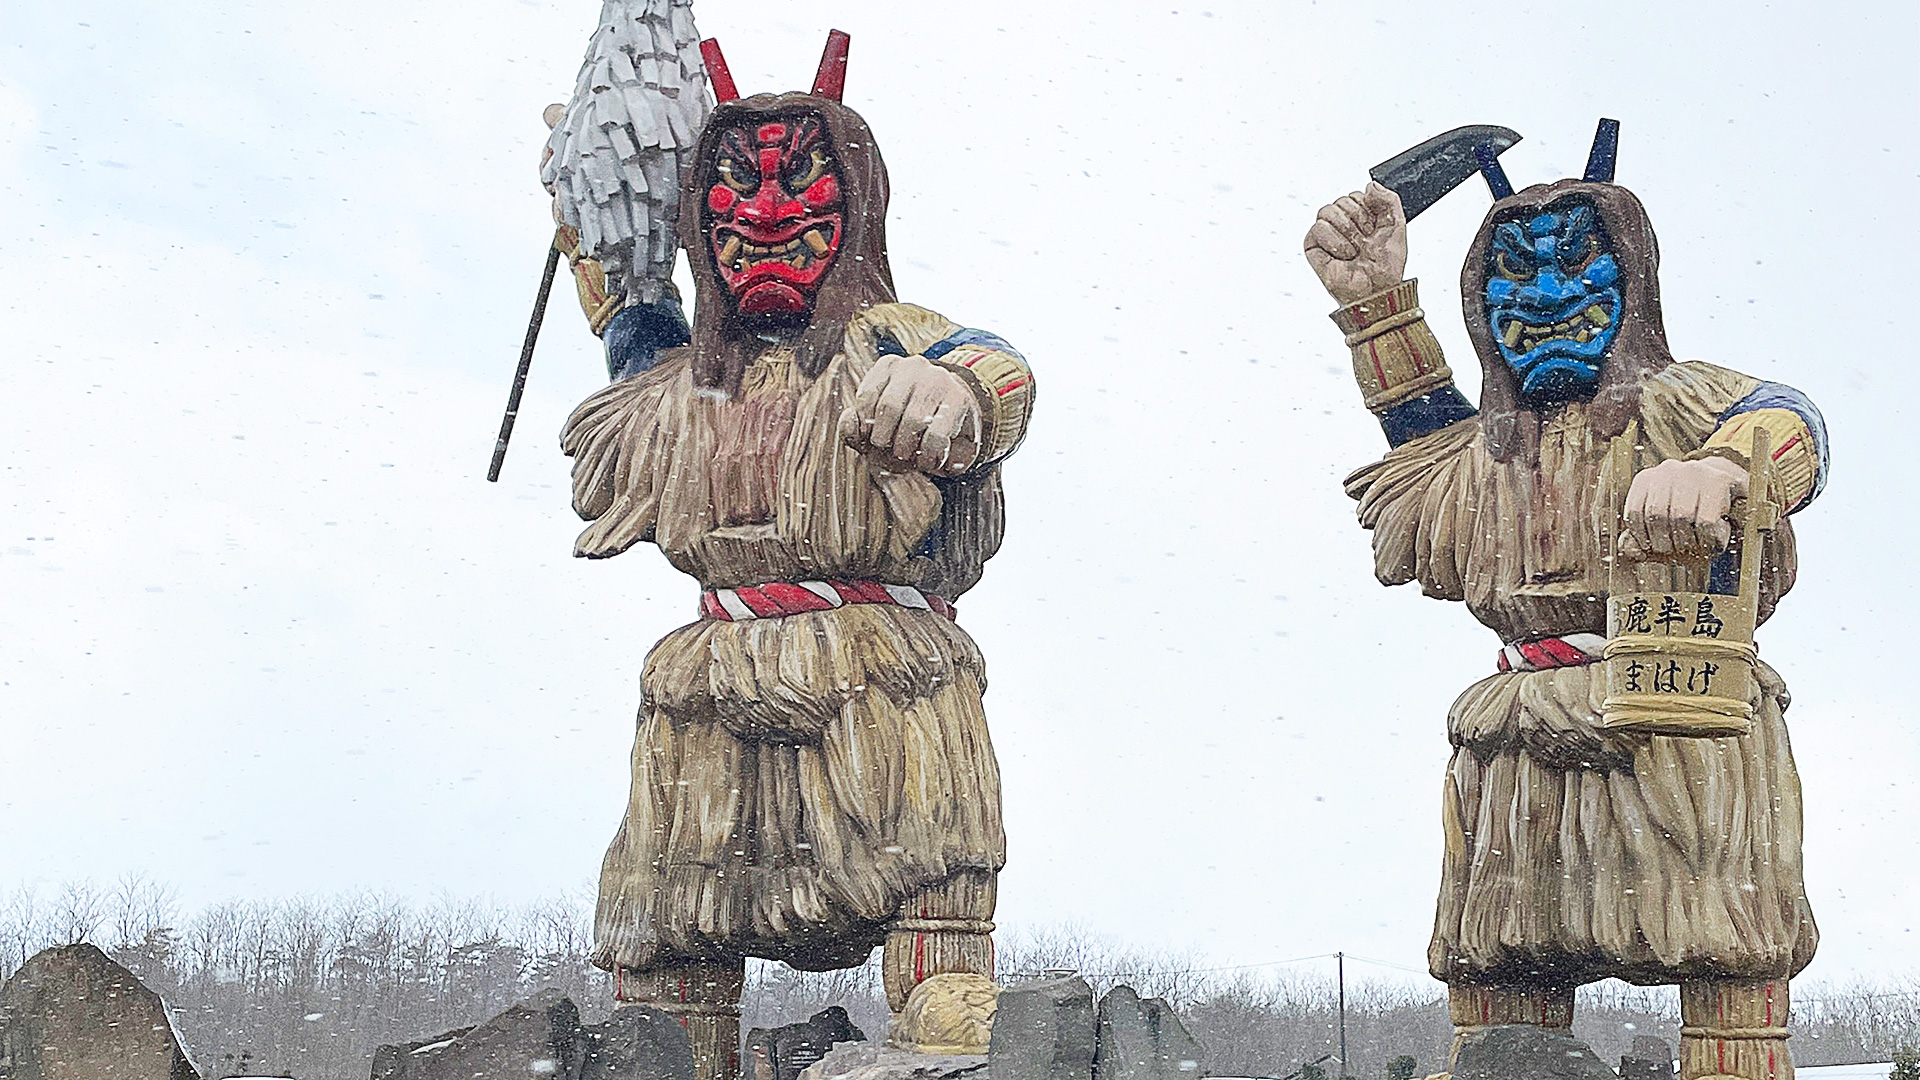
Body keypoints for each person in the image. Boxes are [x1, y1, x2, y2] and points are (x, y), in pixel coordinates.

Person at [558, 40, 1035, 1080]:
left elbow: (991, 367)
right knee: (671, 933)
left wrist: (956, 396)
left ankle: (939, 1057)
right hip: (707, 687)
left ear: (857, 204)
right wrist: (597, 195)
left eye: (799, 181)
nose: (765, 213)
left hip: (881, 676)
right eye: (731, 189)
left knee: (932, 898)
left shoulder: (896, 338)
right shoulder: (680, 381)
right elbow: (632, 319)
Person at [1303, 151, 1825, 1080]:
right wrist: (1377, 304)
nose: (1544, 293)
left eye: (1574, 263)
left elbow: (1796, 423)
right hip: (1515, 744)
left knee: (1728, 959)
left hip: (1680, 724)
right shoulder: (1488, 449)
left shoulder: (1688, 402)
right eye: (1514, 271)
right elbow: (1425, 452)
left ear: (1633, 279)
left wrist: (1725, 465)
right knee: (1498, 976)